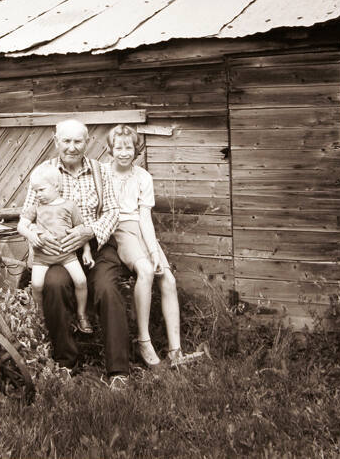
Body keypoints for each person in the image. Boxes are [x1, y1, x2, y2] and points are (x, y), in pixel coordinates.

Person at [21, 119, 129, 388]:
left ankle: (119, 371)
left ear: (87, 142)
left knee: (107, 288)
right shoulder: (43, 173)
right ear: (56, 141)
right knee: (54, 285)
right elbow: (28, 216)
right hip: (57, 250)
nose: (71, 147)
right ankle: (65, 362)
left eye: (77, 141)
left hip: (97, 245)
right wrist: (39, 238)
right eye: (66, 141)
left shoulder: (100, 171)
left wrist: (88, 233)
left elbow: (113, 212)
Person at [105, 124, 203, 368]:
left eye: (129, 147)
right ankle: (143, 340)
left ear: (136, 149)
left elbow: (145, 217)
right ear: (110, 149)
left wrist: (153, 250)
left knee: (167, 279)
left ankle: (175, 351)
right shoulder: (102, 174)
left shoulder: (143, 177)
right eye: (119, 147)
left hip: (140, 229)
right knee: (146, 271)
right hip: (119, 229)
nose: (124, 152)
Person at [17, 164, 95, 334]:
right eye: (35, 191)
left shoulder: (70, 206)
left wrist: (87, 251)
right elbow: (21, 226)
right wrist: (31, 236)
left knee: (81, 281)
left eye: (41, 190)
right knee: (37, 285)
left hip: (67, 255)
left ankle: (81, 314)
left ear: (57, 187)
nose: (37, 195)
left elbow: (81, 229)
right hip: (42, 257)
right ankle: (40, 315)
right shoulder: (36, 208)